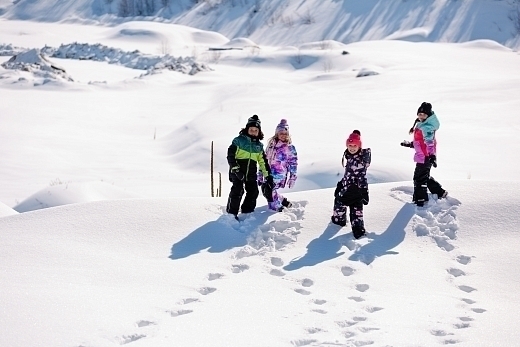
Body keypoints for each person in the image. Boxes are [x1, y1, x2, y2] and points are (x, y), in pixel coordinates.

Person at [400, 102, 448, 207]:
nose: (421, 116)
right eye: (420, 114)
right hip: (422, 156)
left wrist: (432, 156)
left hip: (426, 157)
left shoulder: (427, 127)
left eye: (424, 114)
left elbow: (429, 142)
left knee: (419, 178)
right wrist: (410, 144)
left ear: (428, 116)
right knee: (424, 176)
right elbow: (420, 142)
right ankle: (439, 192)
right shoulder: (421, 124)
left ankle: (420, 199)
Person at [226, 115, 274, 218]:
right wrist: (235, 169)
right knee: (237, 190)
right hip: (238, 170)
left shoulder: (259, 146)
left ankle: (247, 212)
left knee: (253, 191)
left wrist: (268, 176)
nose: (253, 132)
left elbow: (263, 162)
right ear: (247, 129)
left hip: (251, 172)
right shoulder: (239, 140)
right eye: (251, 129)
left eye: (255, 130)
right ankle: (231, 213)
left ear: (259, 132)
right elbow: (230, 155)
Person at [331, 130, 371, 239]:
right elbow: (348, 173)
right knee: (339, 203)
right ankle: (338, 221)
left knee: (356, 211)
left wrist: (364, 191)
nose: (352, 147)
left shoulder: (361, 159)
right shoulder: (348, 156)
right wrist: (341, 184)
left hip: (357, 190)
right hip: (346, 187)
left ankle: (359, 231)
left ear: (359, 146)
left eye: (355, 145)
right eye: (350, 145)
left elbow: (362, 177)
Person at [258, 119, 298, 212]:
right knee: (265, 189)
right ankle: (283, 201)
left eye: (285, 133)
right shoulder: (271, 145)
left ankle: (277, 208)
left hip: (279, 174)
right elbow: (264, 160)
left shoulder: (289, 147)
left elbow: (293, 163)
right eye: (281, 133)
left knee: (269, 190)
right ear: (277, 133)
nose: (283, 135)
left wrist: (292, 177)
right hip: (268, 172)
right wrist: (260, 174)